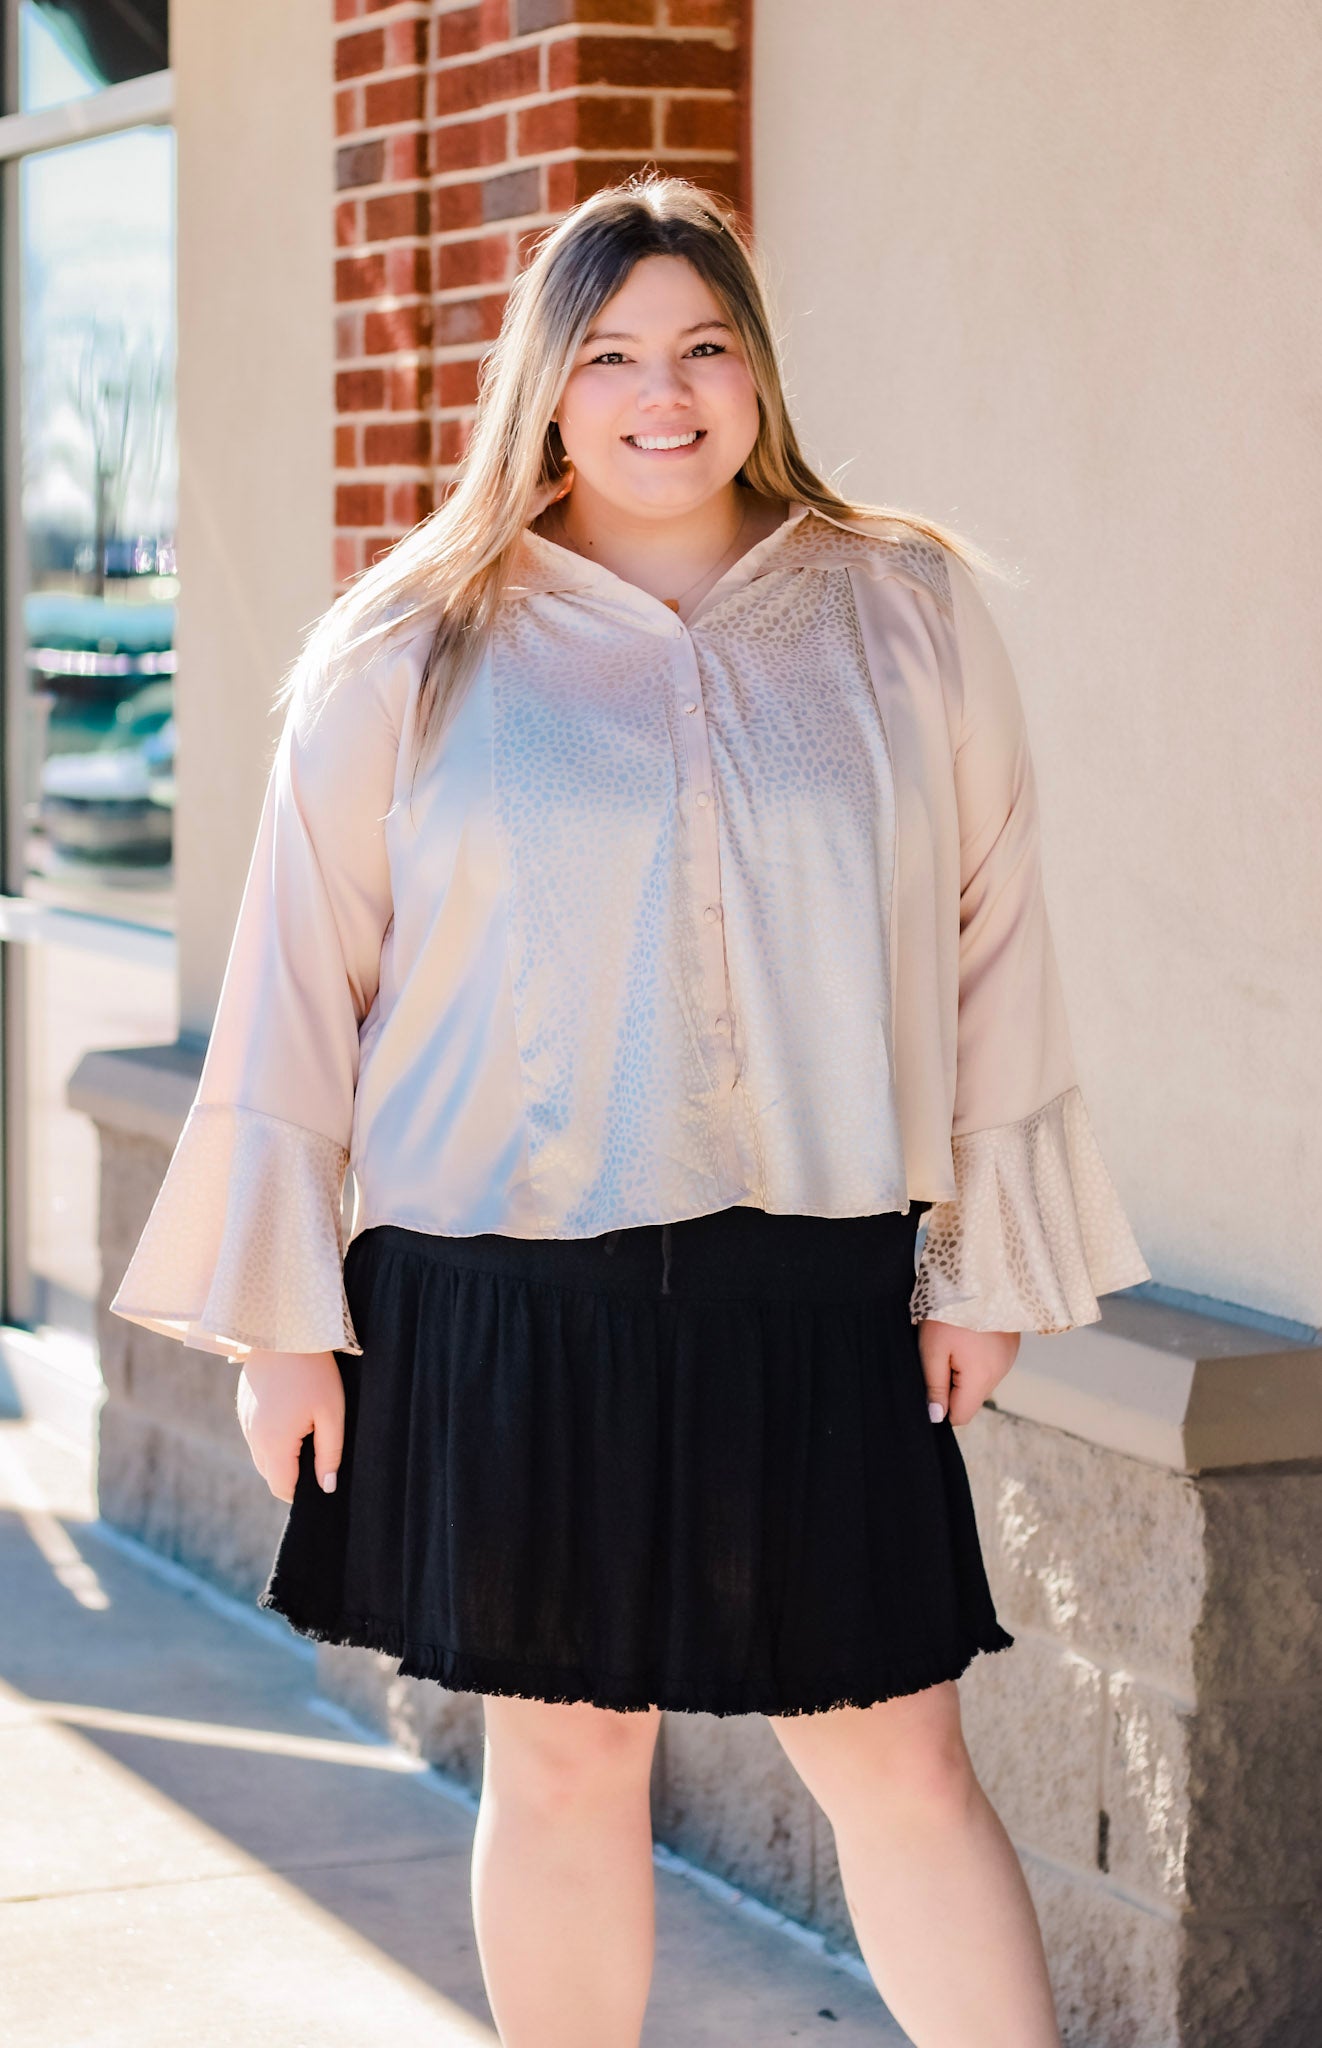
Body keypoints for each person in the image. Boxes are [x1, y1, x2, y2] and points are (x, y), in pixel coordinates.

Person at [109, 172, 1149, 2048]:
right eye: (607, 354)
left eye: (701, 347)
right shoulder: (409, 642)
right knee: (568, 1763)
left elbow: (994, 938)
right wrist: (281, 1327)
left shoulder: (902, 611)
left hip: (809, 1289)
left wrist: (981, 1264)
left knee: (900, 1759)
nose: (660, 394)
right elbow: (294, 983)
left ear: (757, 372)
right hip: (509, 1294)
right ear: (545, 383)